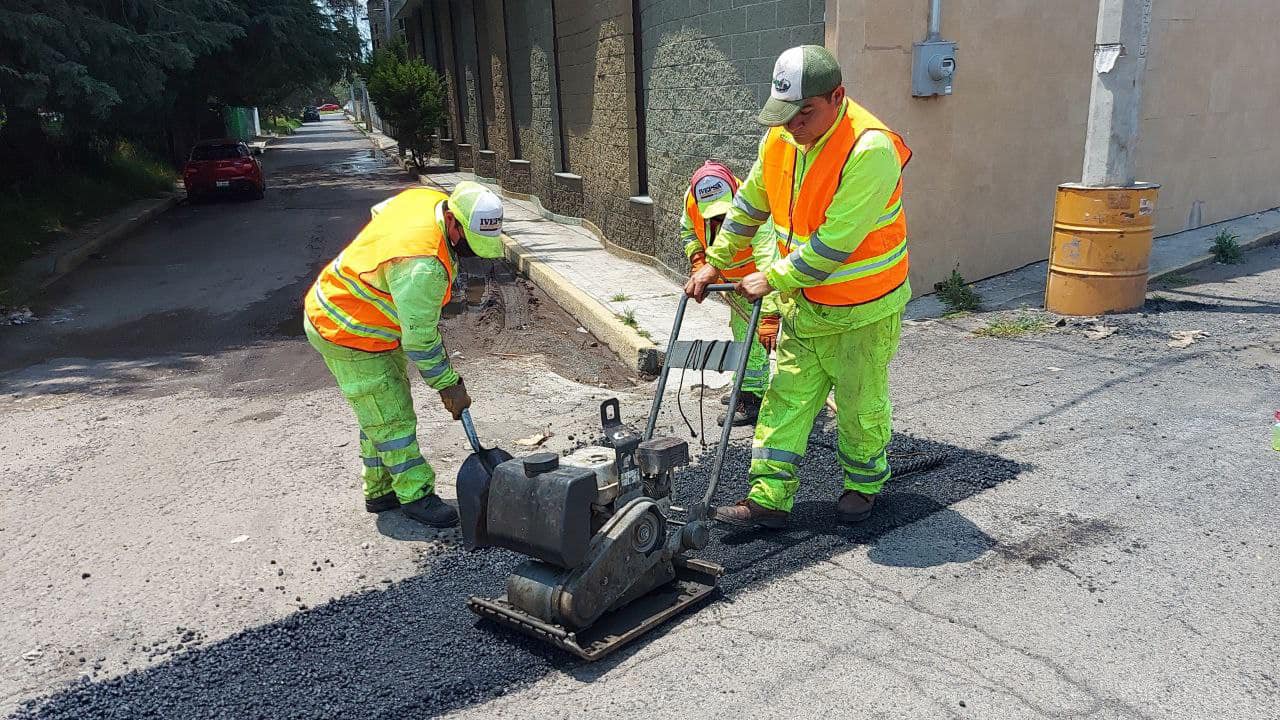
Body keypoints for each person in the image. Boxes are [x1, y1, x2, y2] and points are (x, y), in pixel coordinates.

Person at [685, 45, 912, 527]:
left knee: (859, 404)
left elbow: (835, 244)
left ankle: (864, 483)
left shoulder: (870, 149)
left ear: (838, 97)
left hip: (862, 311)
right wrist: (715, 262)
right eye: (786, 114)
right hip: (805, 307)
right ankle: (768, 498)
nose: (794, 125)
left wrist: (772, 277)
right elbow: (749, 205)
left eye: (805, 112)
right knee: (784, 397)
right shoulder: (780, 140)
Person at [303, 181, 505, 528]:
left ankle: (380, 491)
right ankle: (416, 495)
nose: (470, 253)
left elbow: (380, 216)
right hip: (347, 328)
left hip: (368, 320)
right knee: (392, 418)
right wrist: (448, 384)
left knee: (379, 409)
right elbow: (421, 342)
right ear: (454, 223)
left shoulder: (425, 199)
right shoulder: (423, 267)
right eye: (469, 243)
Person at [679, 160, 779, 426]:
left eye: (724, 214)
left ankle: (752, 398)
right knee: (740, 334)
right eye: (713, 215)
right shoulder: (691, 200)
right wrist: (699, 260)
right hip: (730, 282)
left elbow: (769, 265)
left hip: (755, 285)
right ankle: (741, 386)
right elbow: (688, 232)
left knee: (753, 342)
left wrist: (769, 315)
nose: (719, 221)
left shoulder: (754, 208)